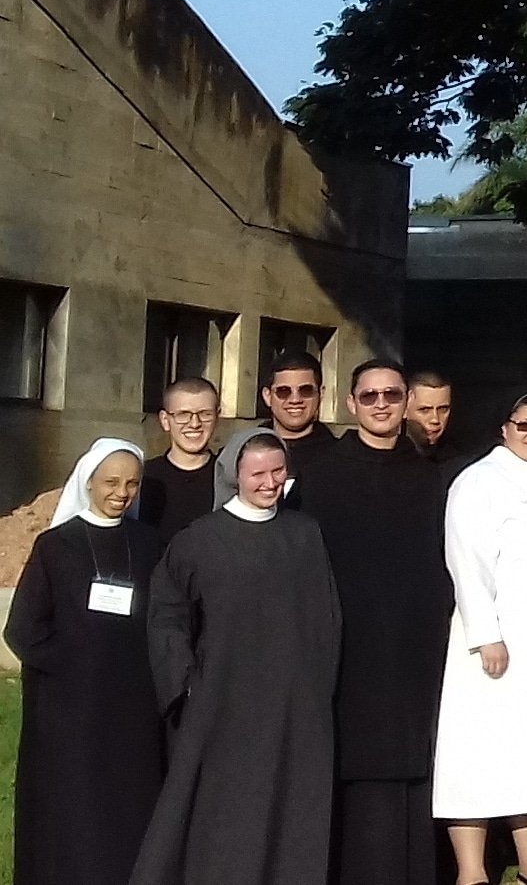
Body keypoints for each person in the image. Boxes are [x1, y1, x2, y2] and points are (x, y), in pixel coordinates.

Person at [130, 429, 342, 885]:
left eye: (277, 472)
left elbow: (326, 617)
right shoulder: (200, 540)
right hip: (224, 700)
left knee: (292, 805)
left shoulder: (304, 534)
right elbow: (167, 614)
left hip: (295, 705)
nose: (269, 483)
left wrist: (318, 688)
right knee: (223, 810)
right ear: (234, 475)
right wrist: (184, 681)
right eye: (257, 474)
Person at [293, 358, 453, 885]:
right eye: (370, 396)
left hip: (417, 648)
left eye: (391, 395)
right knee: (358, 773)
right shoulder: (318, 475)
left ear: (406, 401)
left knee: (418, 765)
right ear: (350, 404)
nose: (381, 404)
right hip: (351, 649)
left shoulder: (434, 475)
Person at [433, 392, 527, 885]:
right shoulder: (476, 481)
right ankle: (471, 872)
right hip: (494, 644)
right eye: (525, 425)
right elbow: (466, 561)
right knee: (477, 752)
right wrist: (486, 634)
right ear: (504, 427)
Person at [6, 438, 163, 885]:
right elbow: (23, 629)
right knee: (73, 816)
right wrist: (80, 666)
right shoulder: (56, 546)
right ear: (88, 482)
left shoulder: (150, 545)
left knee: (127, 814)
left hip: (133, 711)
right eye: (111, 482)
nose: (122, 492)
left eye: (132, 483)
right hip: (71, 713)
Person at [140, 375, 221, 545]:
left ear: (217, 416)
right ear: (165, 420)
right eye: (183, 415)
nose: (194, 423)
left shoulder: (229, 476)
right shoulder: (144, 477)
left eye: (205, 414)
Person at [262, 348, 339, 478]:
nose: (295, 400)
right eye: (283, 391)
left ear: (321, 394)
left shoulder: (342, 458)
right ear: (267, 396)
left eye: (306, 390)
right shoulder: (240, 454)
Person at [405, 372, 463, 479]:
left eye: (443, 409)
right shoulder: (390, 461)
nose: (435, 419)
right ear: (404, 409)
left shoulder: (461, 468)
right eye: (425, 410)